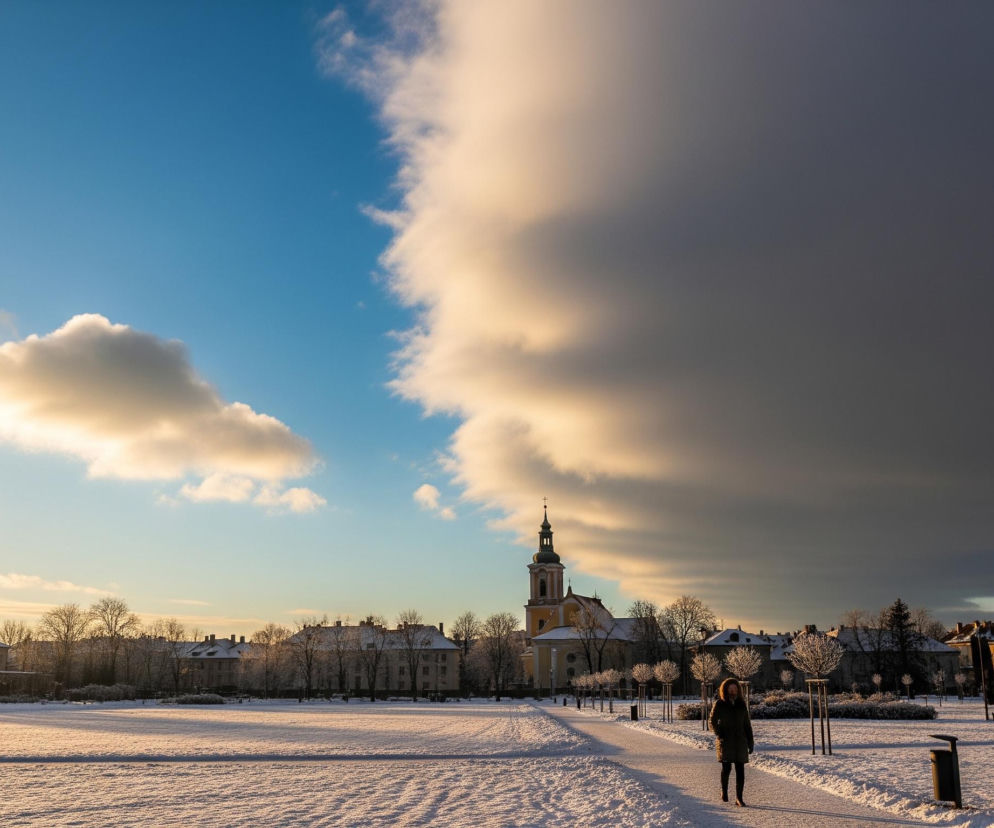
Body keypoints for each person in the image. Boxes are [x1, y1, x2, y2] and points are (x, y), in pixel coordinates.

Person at [708, 677, 754, 806]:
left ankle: (739, 798)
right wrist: (719, 733)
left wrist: (750, 741)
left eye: (735, 688)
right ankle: (724, 791)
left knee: (740, 770)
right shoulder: (720, 704)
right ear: (726, 689)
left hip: (740, 741)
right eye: (730, 688)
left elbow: (747, 724)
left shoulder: (741, 704)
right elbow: (711, 721)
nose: (733, 691)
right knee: (726, 768)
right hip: (726, 740)